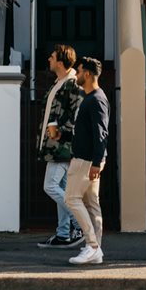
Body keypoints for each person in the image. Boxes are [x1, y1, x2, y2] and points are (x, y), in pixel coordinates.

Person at [36, 44, 84, 248]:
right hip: (53, 146)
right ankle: (64, 233)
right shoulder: (59, 82)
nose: (49, 59)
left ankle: (80, 222)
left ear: (61, 61)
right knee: (62, 187)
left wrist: (61, 133)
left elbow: (78, 115)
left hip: (63, 147)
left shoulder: (72, 84)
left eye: (52, 56)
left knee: (51, 186)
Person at [65, 57, 110, 265]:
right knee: (91, 204)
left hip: (85, 160)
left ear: (88, 74)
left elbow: (101, 133)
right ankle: (95, 249)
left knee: (72, 199)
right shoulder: (92, 97)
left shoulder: (96, 99)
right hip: (88, 159)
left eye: (80, 70)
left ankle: (92, 245)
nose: (77, 74)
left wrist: (96, 161)